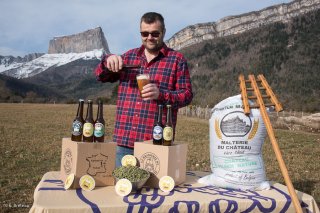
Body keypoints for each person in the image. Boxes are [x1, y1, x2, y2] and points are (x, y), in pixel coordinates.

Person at [95, 12, 193, 167]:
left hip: (155, 142)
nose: (149, 37)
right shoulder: (128, 57)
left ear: (163, 33)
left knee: (155, 191)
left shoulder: (176, 60)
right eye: (144, 33)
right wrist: (107, 61)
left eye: (155, 33)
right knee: (123, 188)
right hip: (123, 142)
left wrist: (161, 94)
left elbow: (187, 95)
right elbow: (101, 77)